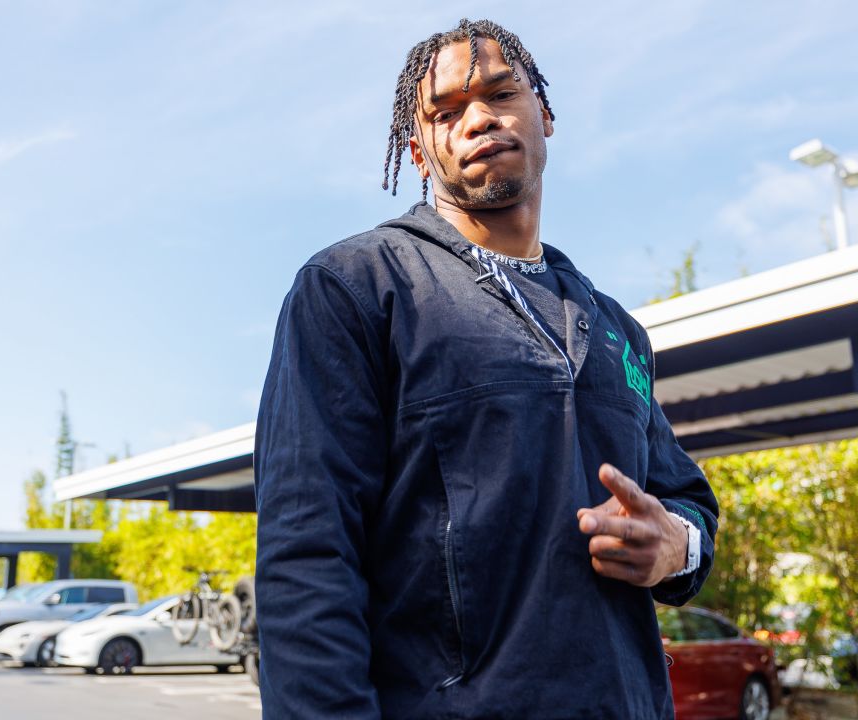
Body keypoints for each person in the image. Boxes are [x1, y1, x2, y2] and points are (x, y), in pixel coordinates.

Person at [255, 18, 719, 719]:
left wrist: (676, 545)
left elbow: (686, 501)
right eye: (445, 111)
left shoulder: (618, 330)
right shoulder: (355, 288)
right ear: (418, 149)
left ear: (546, 115)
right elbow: (308, 556)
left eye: (501, 93)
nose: (477, 119)